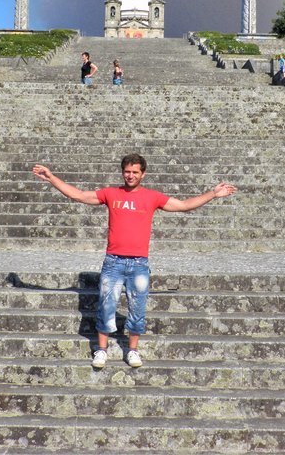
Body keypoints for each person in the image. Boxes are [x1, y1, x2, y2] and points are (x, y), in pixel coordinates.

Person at [32, 154, 237, 369]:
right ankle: (101, 350)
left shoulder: (152, 197)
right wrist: (52, 178)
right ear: (123, 172)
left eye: (135, 172)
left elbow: (184, 205)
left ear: (143, 174)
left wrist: (213, 193)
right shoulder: (111, 194)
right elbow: (80, 196)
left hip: (139, 264)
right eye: (127, 172)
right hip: (113, 262)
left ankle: (132, 351)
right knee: (106, 306)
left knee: (137, 309)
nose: (130, 176)